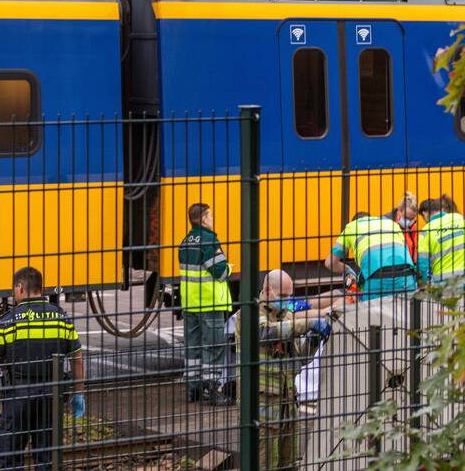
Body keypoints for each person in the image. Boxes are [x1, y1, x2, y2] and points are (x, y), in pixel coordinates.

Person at [0, 266, 85, 471]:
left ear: (19, 288)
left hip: (17, 395)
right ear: (41, 288)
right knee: (46, 456)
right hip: (51, 393)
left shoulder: (8, 322)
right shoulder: (61, 318)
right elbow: (77, 358)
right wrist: (78, 392)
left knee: (10, 456)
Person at [235, 269, 335, 471]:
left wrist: (313, 341)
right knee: (262, 463)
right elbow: (265, 333)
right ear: (266, 289)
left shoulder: (287, 316)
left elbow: (297, 359)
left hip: (287, 405)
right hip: (260, 408)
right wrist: (307, 323)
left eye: (289, 296)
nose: (286, 300)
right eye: (282, 296)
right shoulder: (248, 314)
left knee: (288, 464)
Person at [179, 202, 233, 405]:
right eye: (210, 216)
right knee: (214, 346)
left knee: (193, 347)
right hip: (209, 303)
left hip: (190, 304)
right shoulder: (209, 241)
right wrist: (229, 267)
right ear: (203, 219)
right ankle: (212, 390)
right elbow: (220, 271)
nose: (212, 219)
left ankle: (193, 389)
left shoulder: (185, 242)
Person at [325, 212, 418, 300]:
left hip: (376, 276)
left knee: (372, 313)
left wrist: (346, 269)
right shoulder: (391, 223)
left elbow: (330, 263)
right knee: (407, 312)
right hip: (407, 274)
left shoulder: (351, 227)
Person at [417, 196, 465, 284]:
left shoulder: (425, 231)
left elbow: (423, 264)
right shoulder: (461, 218)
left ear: (425, 214)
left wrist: (426, 284)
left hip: (443, 281)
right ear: (440, 209)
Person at [384, 191, 419, 261]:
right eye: (406, 217)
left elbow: (414, 248)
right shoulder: (386, 224)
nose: (408, 221)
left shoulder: (412, 226)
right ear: (399, 211)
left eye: (411, 218)